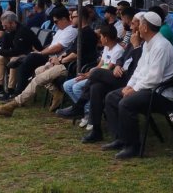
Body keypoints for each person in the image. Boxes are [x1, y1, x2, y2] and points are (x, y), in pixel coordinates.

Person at [0, 8, 99, 117]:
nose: (71, 19)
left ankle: (12, 104)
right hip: (63, 63)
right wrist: (58, 59)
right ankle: (56, 93)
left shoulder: (86, 34)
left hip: (71, 67)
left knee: (37, 79)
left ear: (80, 18)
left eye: (73, 17)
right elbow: (71, 51)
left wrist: (60, 60)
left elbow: (75, 54)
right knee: (38, 70)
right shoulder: (81, 32)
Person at [56, 12, 145, 143]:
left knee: (97, 73)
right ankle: (96, 131)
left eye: (133, 24)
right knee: (96, 88)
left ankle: (79, 106)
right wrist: (118, 65)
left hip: (133, 81)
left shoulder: (143, 44)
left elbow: (140, 66)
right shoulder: (134, 40)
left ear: (143, 26)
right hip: (121, 74)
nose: (131, 27)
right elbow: (122, 58)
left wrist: (137, 47)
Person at [103, 11, 173, 159]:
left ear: (145, 28)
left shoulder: (161, 46)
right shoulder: (148, 44)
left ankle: (133, 146)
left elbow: (154, 78)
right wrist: (130, 85)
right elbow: (140, 69)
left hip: (160, 94)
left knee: (126, 103)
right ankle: (121, 138)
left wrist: (134, 89)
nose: (137, 28)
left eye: (140, 24)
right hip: (147, 88)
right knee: (111, 97)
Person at [0, 11, 42, 99]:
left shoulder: (23, 31)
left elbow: (17, 51)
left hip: (29, 56)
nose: (4, 28)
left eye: (5, 25)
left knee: (13, 60)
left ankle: (11, 89)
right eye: (3, 26)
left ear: (12, 23)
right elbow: (4, 48)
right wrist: (0, 52)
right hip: (17, 54)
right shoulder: (8, 32)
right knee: (0, 58)